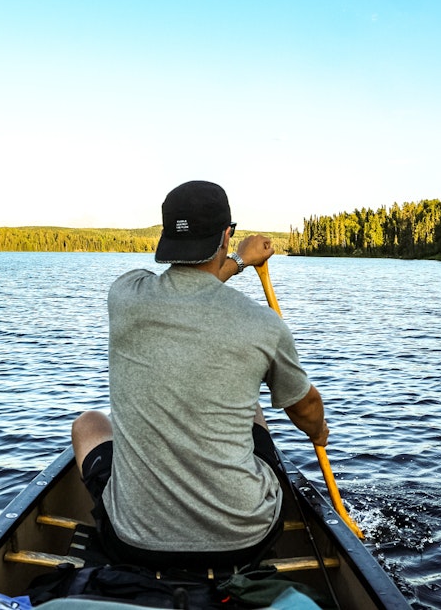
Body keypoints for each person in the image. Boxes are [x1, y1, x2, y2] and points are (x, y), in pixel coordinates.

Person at [71, 180, 328, 570]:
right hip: (244, 540)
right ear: (227, 234)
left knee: (88, 423)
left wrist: (238, 263)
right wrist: (318, 432)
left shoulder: (124, 295)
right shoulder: (263, 324)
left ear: (166, 235)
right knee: (253, 409)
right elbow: (306, 408)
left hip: (134, 541)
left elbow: (188, 290)